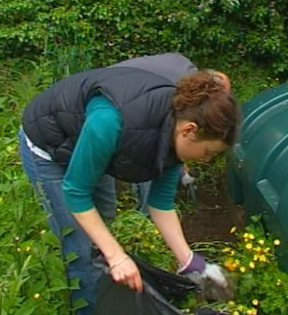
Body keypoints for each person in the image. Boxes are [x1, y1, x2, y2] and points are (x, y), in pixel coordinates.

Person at [18, 55, 240, 315]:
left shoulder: (173, 137)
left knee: (103, 222)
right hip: (49, 147)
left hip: (92, 145)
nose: (206, 160)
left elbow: (161, 205)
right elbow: (76, 192)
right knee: (80, 247)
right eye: (208, 152)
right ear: (190, 130)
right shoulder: (112, 120)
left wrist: (190, 262)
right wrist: (116, 256)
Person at [108, 53, 231, 214]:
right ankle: (145, 217)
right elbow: (166, 133)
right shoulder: (179, 87)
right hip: (111, 104)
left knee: (104, 197)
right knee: (149, 161)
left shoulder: (186, 69)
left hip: (116, 99)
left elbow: (177, 132)